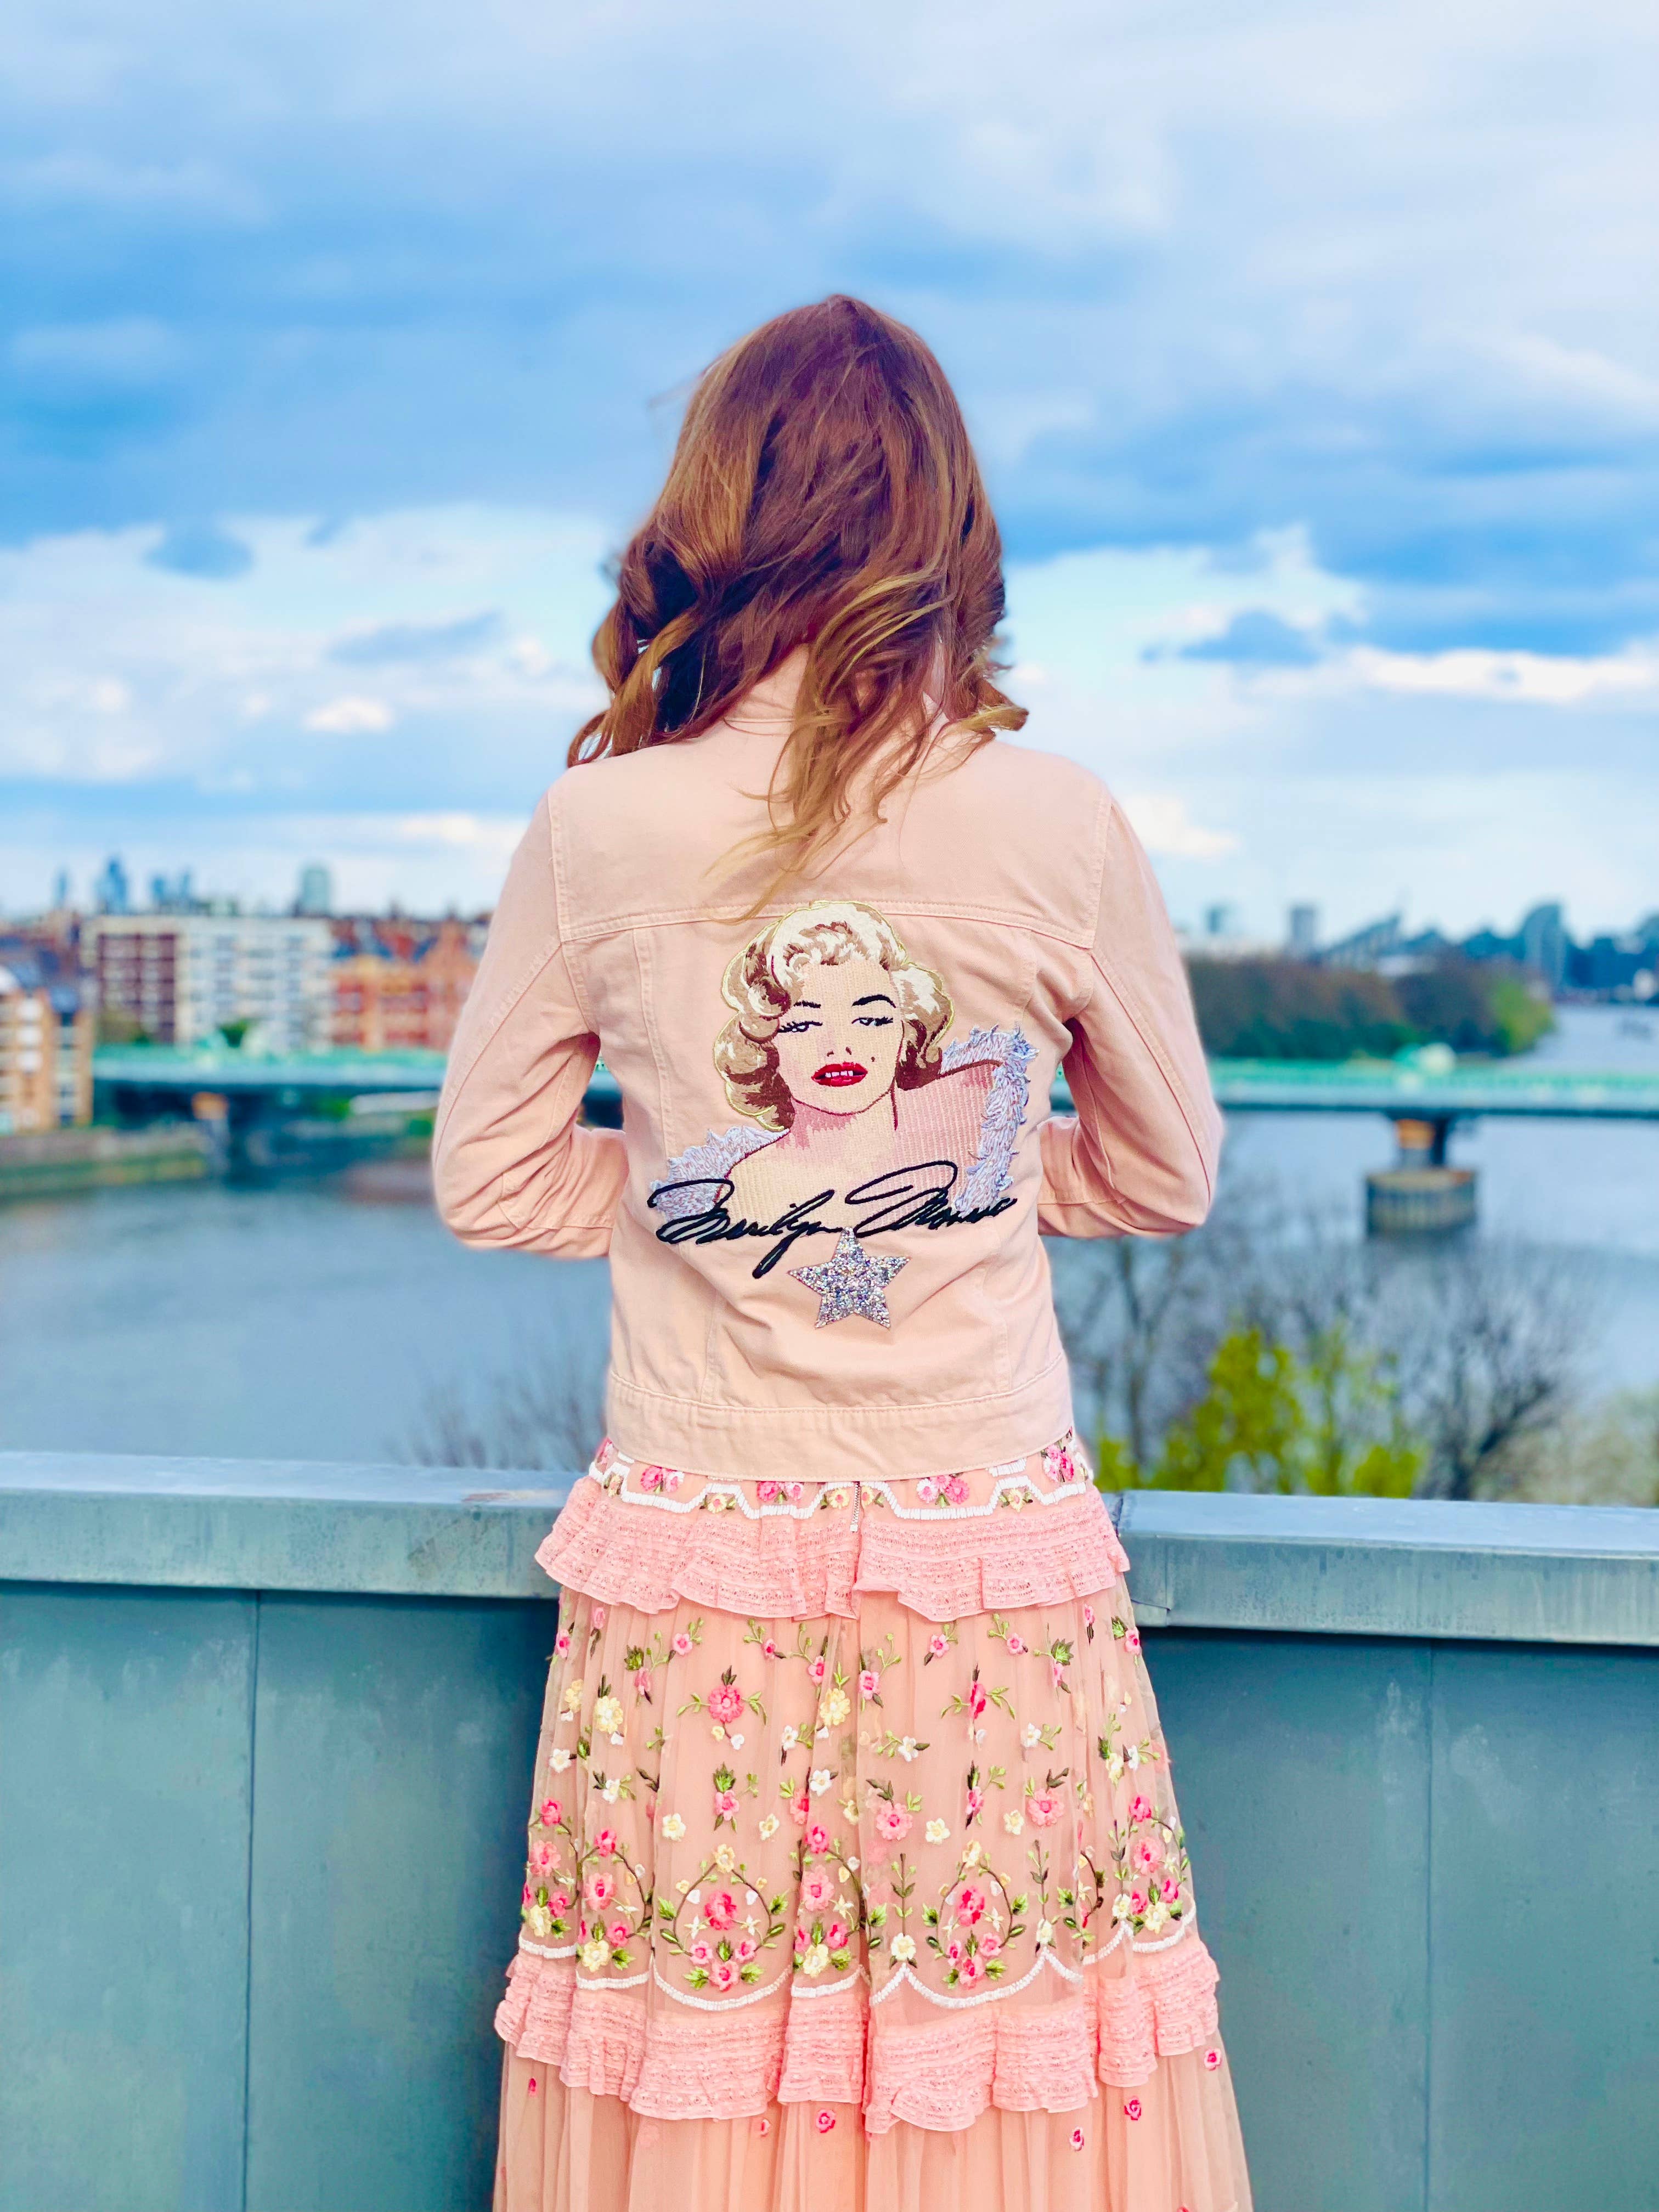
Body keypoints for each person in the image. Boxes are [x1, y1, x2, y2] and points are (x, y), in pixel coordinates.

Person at [433, 295, 1252, 2212]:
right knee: (1007, 2065)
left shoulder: (599, 825)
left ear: (711, 512)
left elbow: (489, 1176)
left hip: (699, 1565)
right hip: (986, 1572)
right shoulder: (1058, 821)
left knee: (705, 2067)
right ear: (949, 524)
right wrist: (952, 1186)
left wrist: (717, 1194)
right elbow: (1164, 1173)